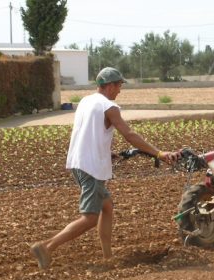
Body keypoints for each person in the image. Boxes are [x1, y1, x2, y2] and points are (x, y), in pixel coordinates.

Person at [30, 67, 177, 269]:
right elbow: (129, 134)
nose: (120, 90)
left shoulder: (86, 101)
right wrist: (159, 153)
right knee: (90, 218)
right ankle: (47, 247)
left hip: (78, 163)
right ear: (109, 85)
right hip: (91, 168)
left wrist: (106, 153)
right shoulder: (109, 106)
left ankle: (108, 257)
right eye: (119, 85)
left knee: (106, 207)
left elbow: (89, 132)